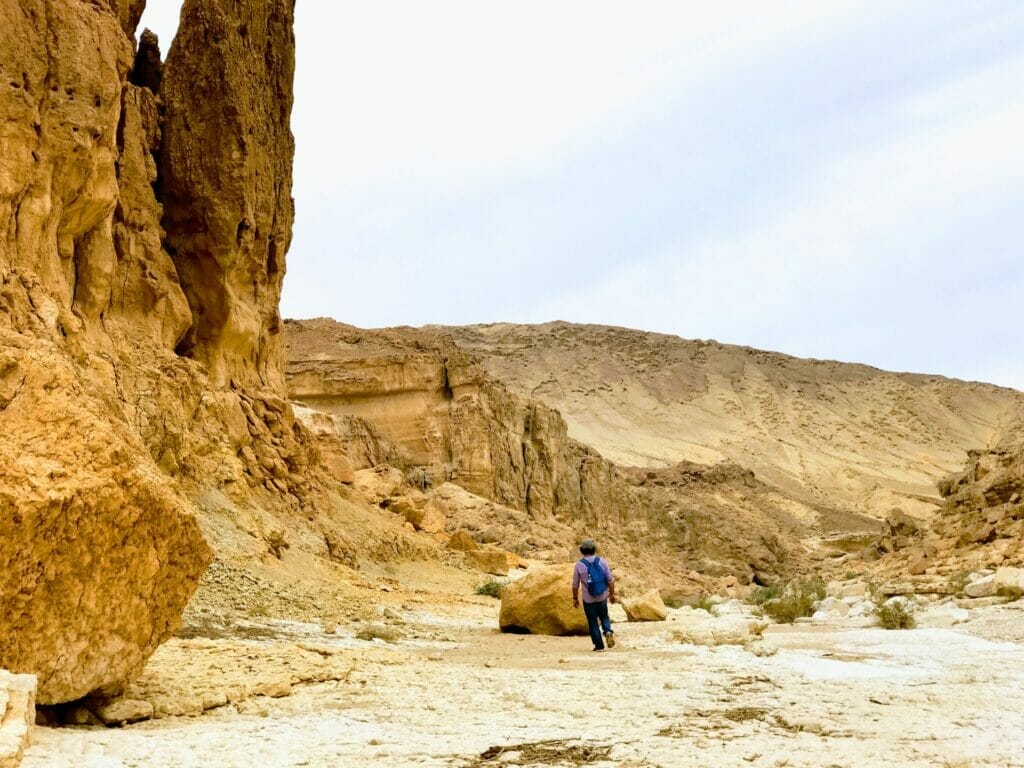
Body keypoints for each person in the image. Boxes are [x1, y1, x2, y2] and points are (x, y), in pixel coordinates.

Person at [571, 539, 616, 651]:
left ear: (581, 550)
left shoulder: (579, 565)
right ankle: (608, 631)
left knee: (592, 622)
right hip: (602, 596)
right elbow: (610, 580)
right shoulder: (602, 561)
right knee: (604, 616)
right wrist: (612, 594)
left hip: (588, 599)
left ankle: (599, 645)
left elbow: (575, 584)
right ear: (594, 549)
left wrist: (575, 599)